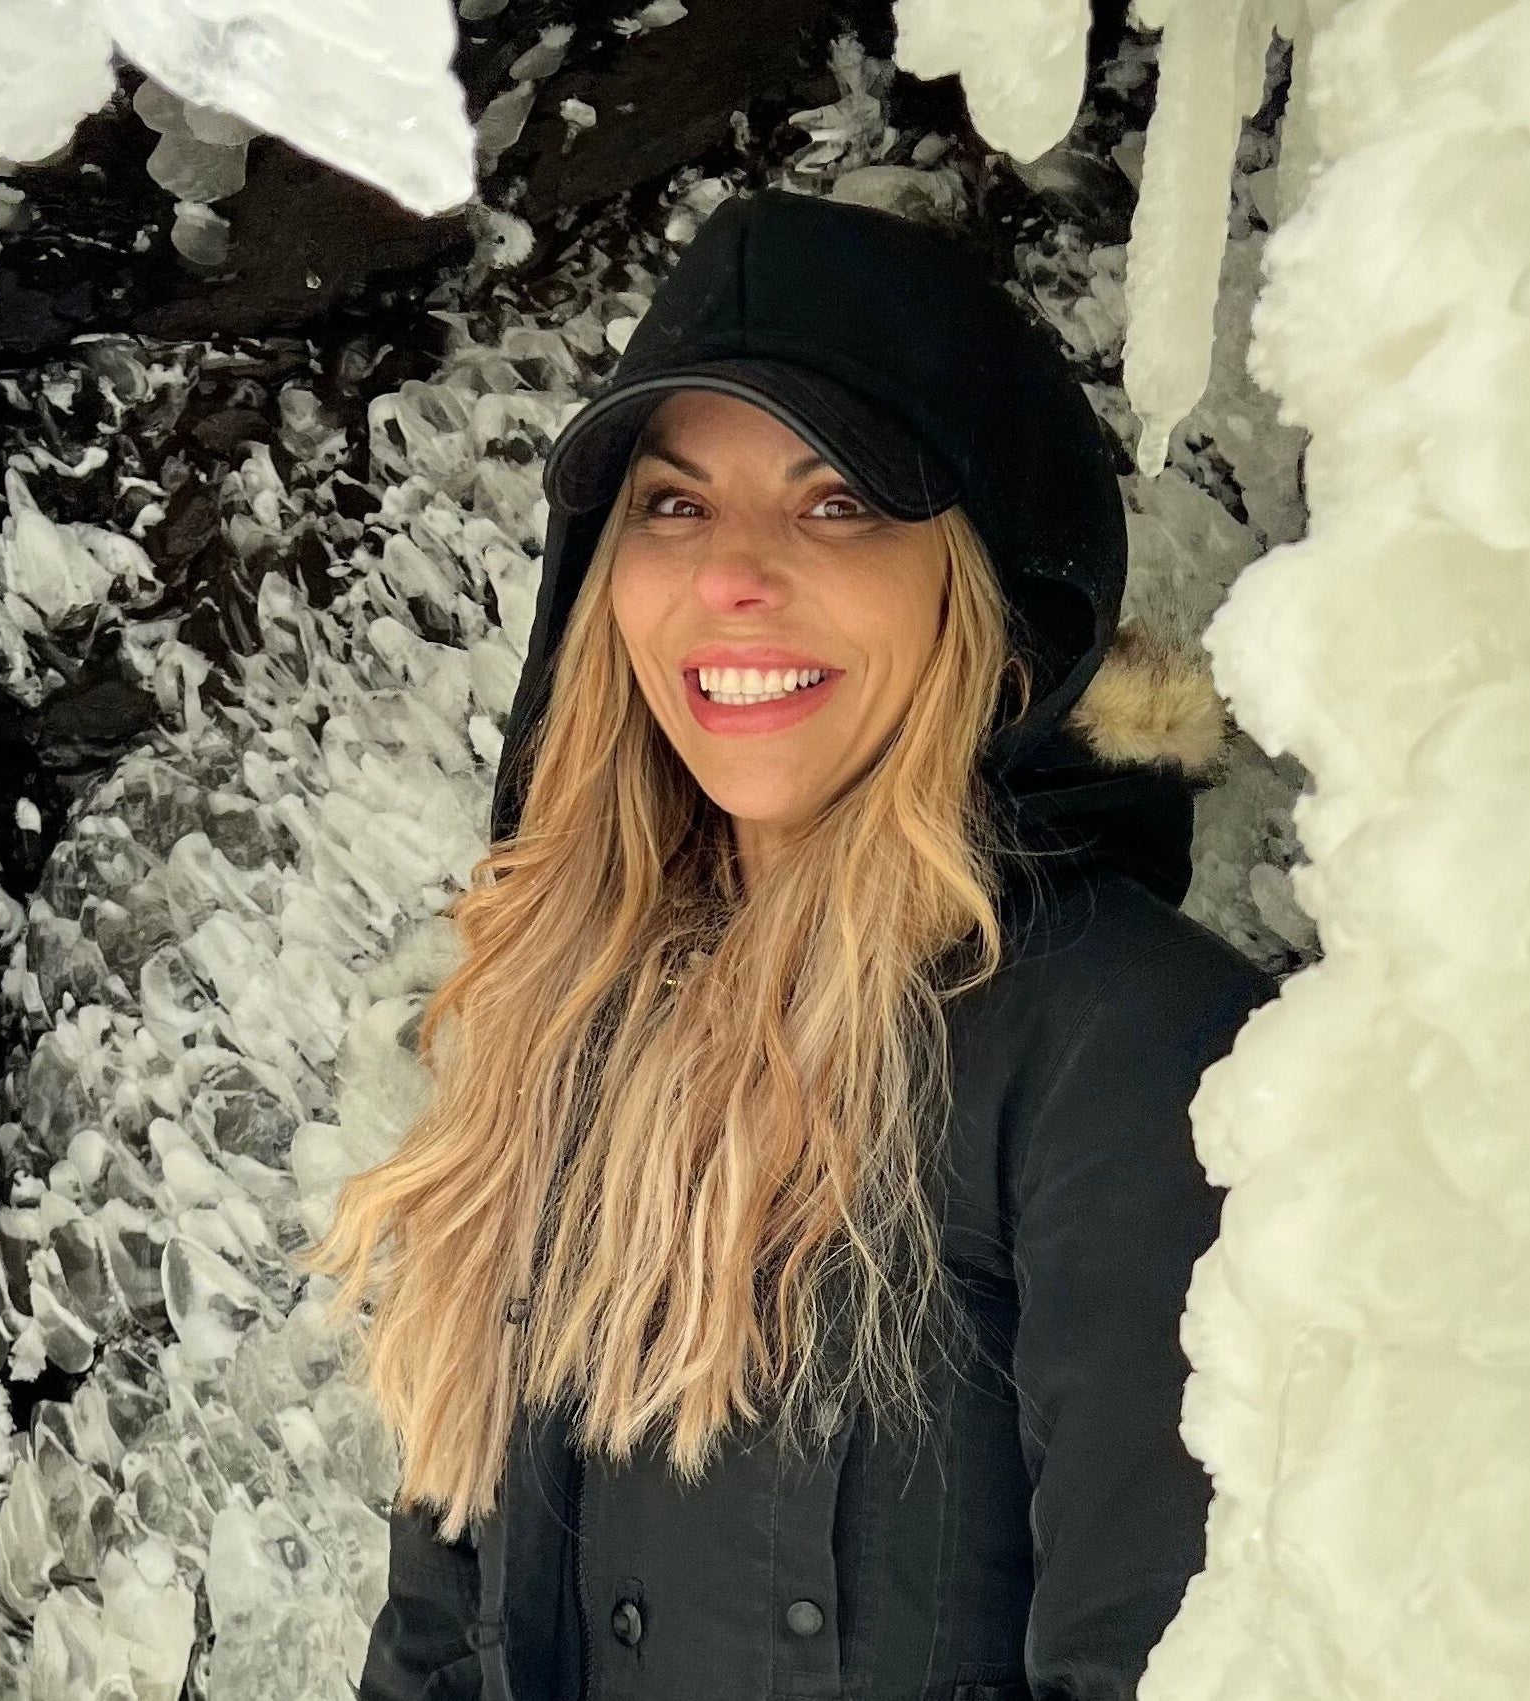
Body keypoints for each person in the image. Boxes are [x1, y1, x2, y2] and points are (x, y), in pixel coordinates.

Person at [313, 189, 1273, 1701]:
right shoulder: (555, 1032)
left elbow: (1188, 1662)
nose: (731, 576)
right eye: (673, 503)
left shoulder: (1136, 1052)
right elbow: (434, 1656)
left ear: (983, 573)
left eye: (836, 503)